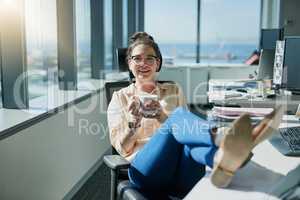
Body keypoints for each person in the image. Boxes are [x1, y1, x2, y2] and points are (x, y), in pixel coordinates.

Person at [107, 32, 283, 199]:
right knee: (177, 117)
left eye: (149, 58)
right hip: (146, 172)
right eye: (137, 58)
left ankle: (220, 158)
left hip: (180, 175)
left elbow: (188, 133)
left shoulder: (173, 89)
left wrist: (161, 116)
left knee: (188, 139)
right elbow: (122, 148)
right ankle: (222, 137)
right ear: (129, 64)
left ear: (157, 63)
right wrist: (133, 123)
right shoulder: (120, 97)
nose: (143, 63)